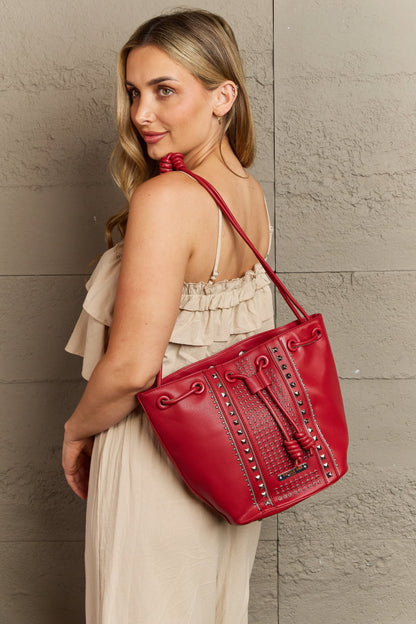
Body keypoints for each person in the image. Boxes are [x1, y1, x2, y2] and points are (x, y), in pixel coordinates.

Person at [63, 9, 274, 624]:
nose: (140, 114)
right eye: (134, 92)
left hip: (156, 458)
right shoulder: (249, 194)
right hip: (229, 461)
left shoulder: (165, 199)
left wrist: (77, 432)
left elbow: (131, 368)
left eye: (164, 90)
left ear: (222, 96)